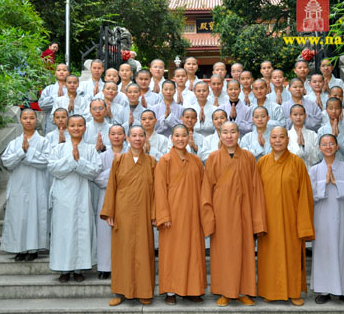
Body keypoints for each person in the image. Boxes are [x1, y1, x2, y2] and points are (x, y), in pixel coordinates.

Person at [201, 121, 267, 307]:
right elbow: (206, 190)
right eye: (225, 132)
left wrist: (257, 220)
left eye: (232, 132)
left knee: (245, 252)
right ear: (220, 135)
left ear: (239, 134)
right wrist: (209, 217)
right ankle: (225, 291)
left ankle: (243, 291)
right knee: (223, 254)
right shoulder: (213, 158)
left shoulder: (248, 157)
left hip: (244, 213)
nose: (229, 136)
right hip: (222, 214)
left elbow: (256, 190)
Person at [257, 126, 314, 305]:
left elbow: (305, 194)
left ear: (288, 140)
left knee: (292, 256)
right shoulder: (261, 163)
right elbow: (255, 195)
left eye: (282, 137)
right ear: (269, 140)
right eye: (274, 137)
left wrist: (303, 223)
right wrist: (258, 222)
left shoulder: (297, 163)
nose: (278, 140)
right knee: (269, 257)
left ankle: (294, 291)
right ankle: (269, 291)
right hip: (269, 221)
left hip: (291, 219)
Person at [101, 125, 156, 306]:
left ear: (145, 138)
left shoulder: (152, 162)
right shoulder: (119, 160)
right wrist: (110, 211)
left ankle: (144, 291)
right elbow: (111, 186)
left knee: (143, 252)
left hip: (144, 211)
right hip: (122, 212)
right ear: (127, 138)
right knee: (122, 253)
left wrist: (155, 213)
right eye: (134, 135)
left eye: (141, 135)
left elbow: (157, 191)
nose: (138, 139)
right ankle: (121, 291)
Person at [155, 124, 207, 305]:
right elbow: (159, 190)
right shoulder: (165, 161)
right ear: (171, 138)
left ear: (188, 138)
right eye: (176, 135)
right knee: (172, 253)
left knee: (193, 253)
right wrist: (163, 216)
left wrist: (203, 215)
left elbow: (203, 189)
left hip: (193, 215)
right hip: (173, 216)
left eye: (183, 136)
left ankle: (192, 289)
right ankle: (171, 291)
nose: (180, 139)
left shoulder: (196, 161)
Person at [309, 134, 344, 305]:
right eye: (324, 144)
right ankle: (324, 290)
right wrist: (323, 183)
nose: (328, 146)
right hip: (322, 217)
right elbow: (308, 193)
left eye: (331, 143)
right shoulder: (314, 170)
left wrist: (336, 182)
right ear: (319, 148)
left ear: (337, 146)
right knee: (324, 250)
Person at [48, 115, 102, 283]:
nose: (76, 128)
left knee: (82, 230)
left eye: (80, 125)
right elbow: (53, 169)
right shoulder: (58, 149)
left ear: (85, 128)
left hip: (82, 195)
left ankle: (79, 267)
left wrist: (79, 161)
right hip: (63, 196)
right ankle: (63, 268)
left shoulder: (91, 149)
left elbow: (94, 171)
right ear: (67, 128)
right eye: (73, 125)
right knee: (62, 232)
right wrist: (72, 159)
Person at [0, 109, 51, 261]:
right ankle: (19, 249)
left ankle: (33, 249)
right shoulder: (14, 143)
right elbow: (7, 162)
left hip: (37, 184)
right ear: (20, 121)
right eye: (25, 118)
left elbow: (45, 162)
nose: (28, 121)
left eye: (31, 118)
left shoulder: (43, 142)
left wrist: (27, 153)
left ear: (37, 120)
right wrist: (21, 151)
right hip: (18, 184)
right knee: (18, 216)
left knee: (35, 215)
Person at [93, 124, 128, 280]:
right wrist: (115, 168)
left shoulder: (131, 155)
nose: (116, 137)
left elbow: (132, 178)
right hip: (106, 196)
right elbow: (97, 179)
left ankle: (124, 266)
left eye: (119, 133)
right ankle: (105, 267)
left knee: (125, 232)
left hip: (127, 197)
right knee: (105, 232)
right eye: (113, 134)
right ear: (108, 137)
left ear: (125, 136)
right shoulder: (101, 157)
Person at [318, 98, 344, 167]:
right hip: (329, 168)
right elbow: (319, 155)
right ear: (326, 110)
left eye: (337, 108)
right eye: (331, 108)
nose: (334, 111)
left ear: (341, 110)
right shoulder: (322, 131)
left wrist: (339, 136)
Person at [39, 63, 70, 133]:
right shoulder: (49, 89)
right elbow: (41, 105)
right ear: (55, 73)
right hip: (52, 126)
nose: (61, 72)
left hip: (69, 126)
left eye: (64, 70)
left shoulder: (73, 89)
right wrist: (56, 98)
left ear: (68, 73)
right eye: (59, 70)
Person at [288, 104, 320, 170]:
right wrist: (297, 146)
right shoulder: (286, 135)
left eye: (301, 114)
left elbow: (317, 157)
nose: (298, 117)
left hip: (309, 171)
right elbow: (285, 156)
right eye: (295, 115)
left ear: (305, 116)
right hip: (291, 170)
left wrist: (305, 145)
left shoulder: (313, 134)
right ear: (290, 117)